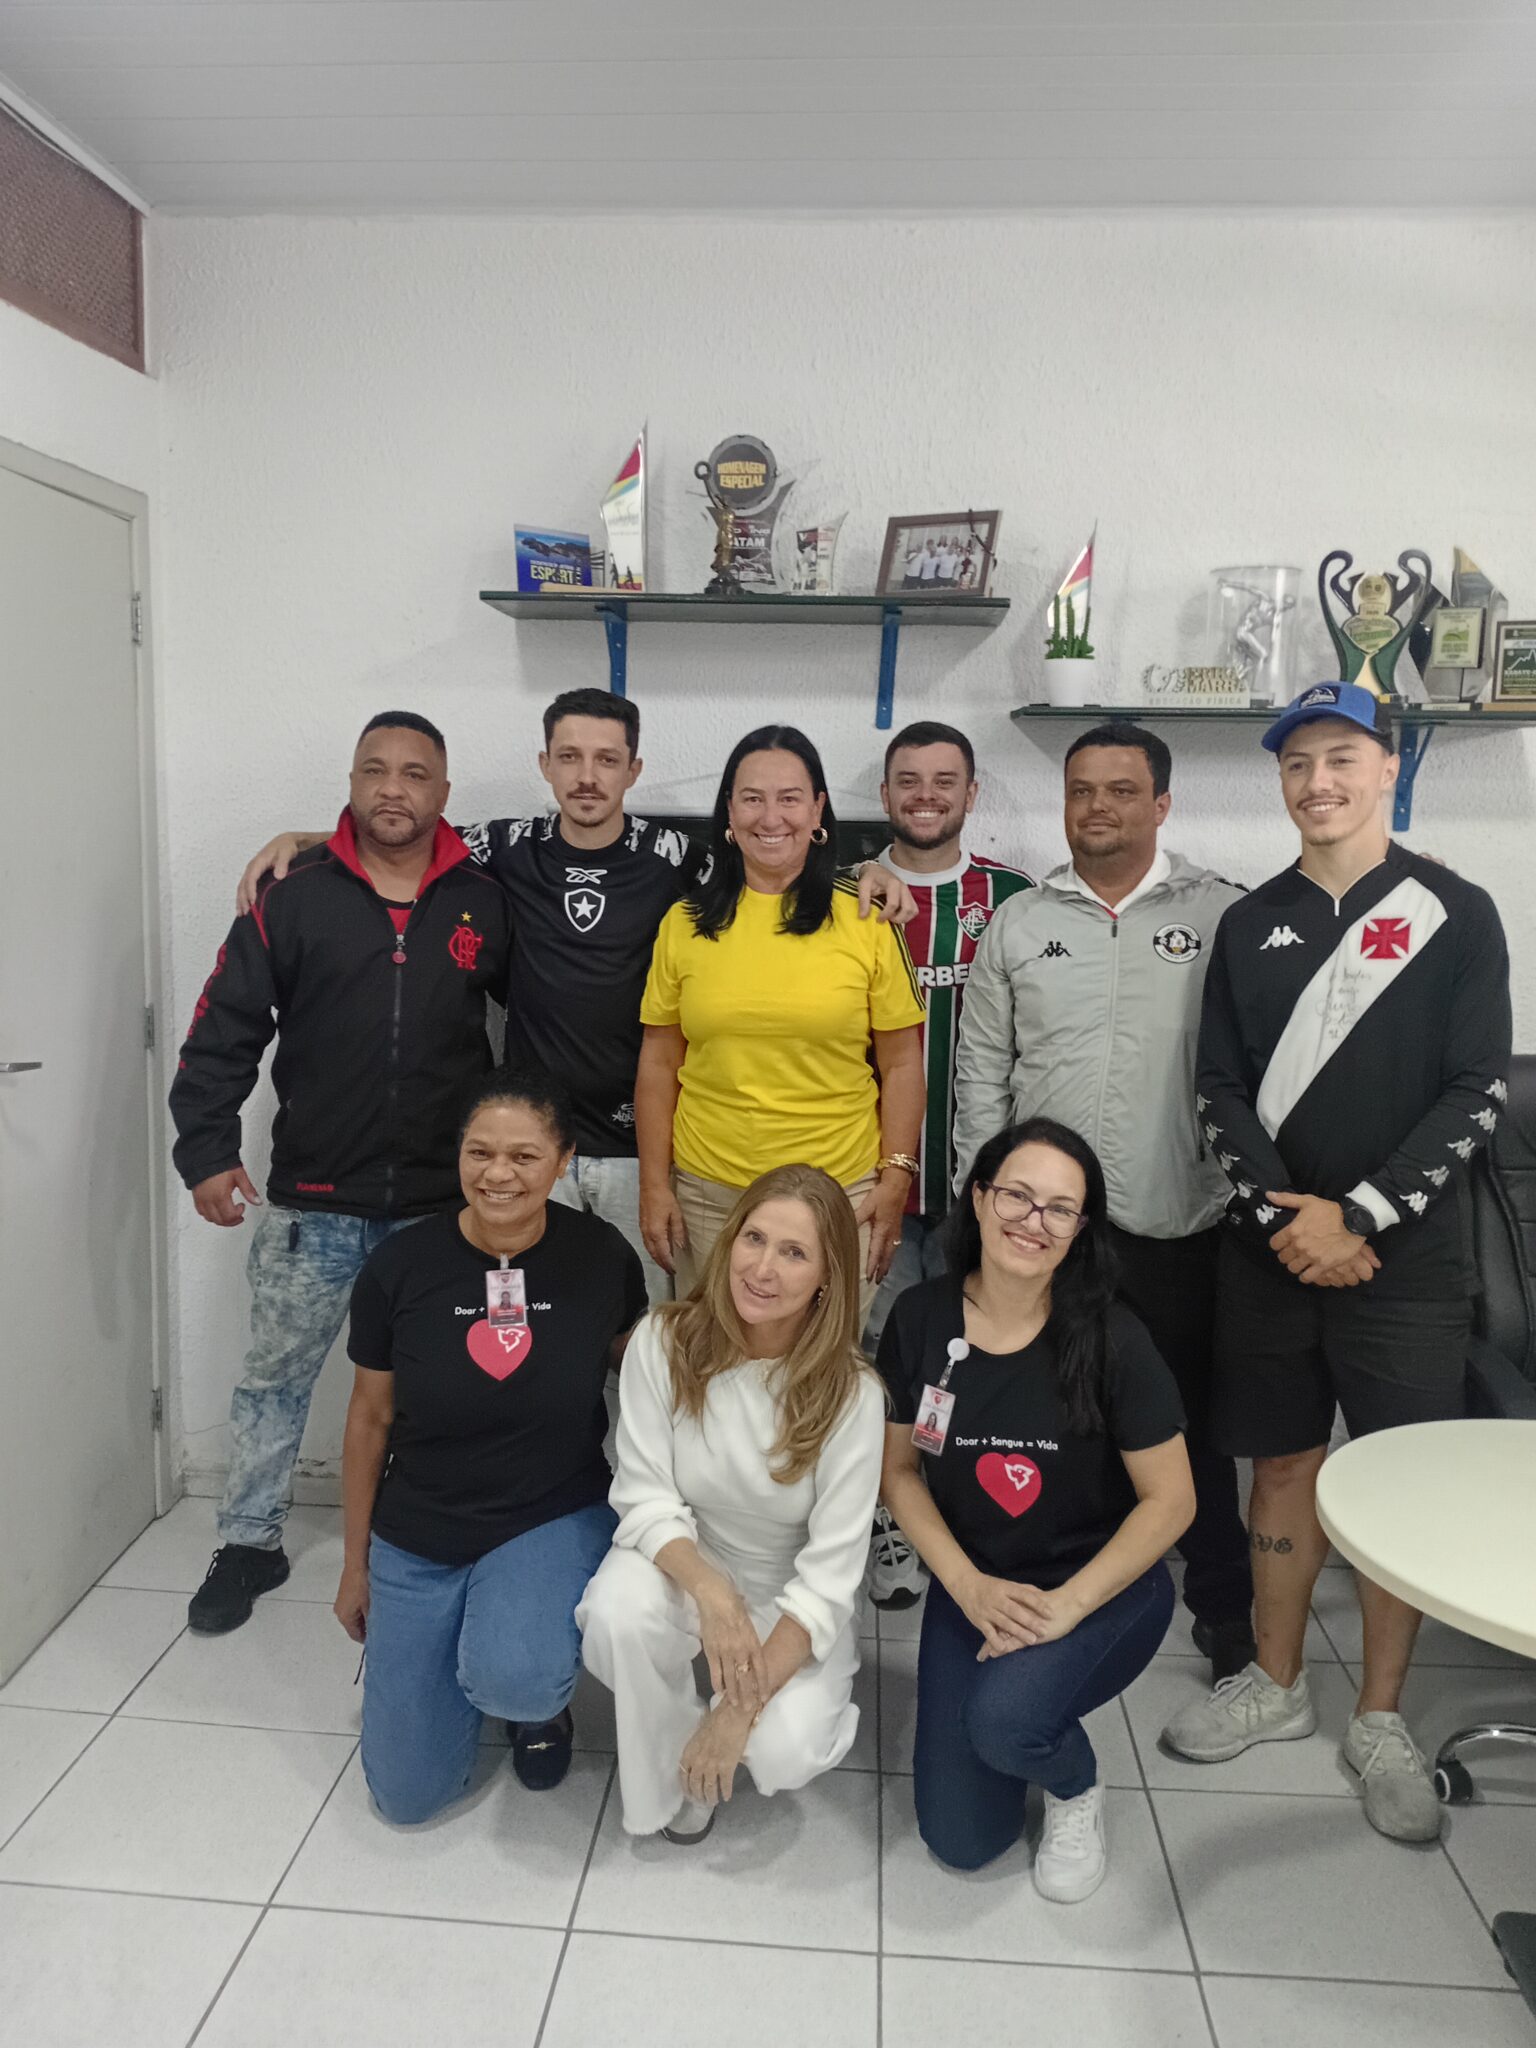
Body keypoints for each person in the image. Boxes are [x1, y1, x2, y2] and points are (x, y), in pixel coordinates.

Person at [236, 689, 913, 1306]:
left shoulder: (678, 859)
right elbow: (407, 838)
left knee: (643, 1328)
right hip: (540, 1143)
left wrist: (867, 870)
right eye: (569, 757)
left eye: (607, 759)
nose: (588, 776)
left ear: (633, 770)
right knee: (536, 1323)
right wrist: (308, 840)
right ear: (545, 764)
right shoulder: (507, 847)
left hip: (639, 1149)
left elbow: (773, 866)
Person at [1162, 682, 1512, 1842]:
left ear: (1388, 768)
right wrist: (1288, 1220)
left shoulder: (1456, 912)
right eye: (1298, 762)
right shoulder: (1249, 921)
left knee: (1397, 1484)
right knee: (1280, 1466)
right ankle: (1273, 1680)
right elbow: (1216, 1088)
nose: (1319, 781)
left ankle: (1380, 1714)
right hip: (1270, 1253)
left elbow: (1478, 1091)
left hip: (1405, 1263)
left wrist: (1358, 1215)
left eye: (1342, 758)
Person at [170, 712, 512, 1635]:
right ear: (352, 783)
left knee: (443, 1389)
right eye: (374, 771)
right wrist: (206, 1150)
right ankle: (248, 1542)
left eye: (415, 774)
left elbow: (538, 1022)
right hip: (312, 1206)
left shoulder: (484, 899)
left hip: (446, 1210)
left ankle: (422, 1535)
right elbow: (222, 1030)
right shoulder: (292, 897)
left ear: (445, 793)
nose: (393, 789)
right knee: (273, 1381)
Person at [953, 721, 1256, 1682]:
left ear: (1161, 804)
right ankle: (1052, 1585)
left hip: (1176, 1223)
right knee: (1046, 1417)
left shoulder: (1223, 916)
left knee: (1188, 1429)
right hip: (1046, 1232)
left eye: (1121, 791)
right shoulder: (1021, 923)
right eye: (1081, 790)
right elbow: (981, 1073)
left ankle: (1225, 1611)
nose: (1097, 808)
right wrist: (980, 1205)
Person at [877, 1119, 1193, 1898]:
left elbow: (1172, 1501)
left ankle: (1074, 1783)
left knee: (1006, 1724)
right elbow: (899, 1472)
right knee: (962, 1839)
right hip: (977, 1586)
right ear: (980, 1198)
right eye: (1017, 1195)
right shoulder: (920, 1318)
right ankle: (1022, 1713)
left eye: (1060, 1208)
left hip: (1100, 1587)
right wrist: (967, 1586)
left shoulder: (1114, 1338)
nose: (1033, 1220)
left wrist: (1065, 1608)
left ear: (1080, 1230)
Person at [336, 1068, 647, 1822]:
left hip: (550, 1511)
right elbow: (370, 1418)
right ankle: (456, 1649)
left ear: (563, 1160)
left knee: (518, 1679)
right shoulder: (400, 1267)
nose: (498, 1174)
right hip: (420, 1524)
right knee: (406, 1797)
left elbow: (644, 1375)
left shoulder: (601, 1255)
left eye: (524, 1156)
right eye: (479, 1153)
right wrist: (354, 1564)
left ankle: (534, 1698)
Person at [577, 1165, 885, 1841]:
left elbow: (829, 1579)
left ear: (828, 1277)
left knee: (784, 1749)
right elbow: (644, 1495)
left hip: (790, 1590)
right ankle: (675, 1775)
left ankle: (715, 1734)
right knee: (615, 1615)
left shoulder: (854, 1395)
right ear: (729, 1240)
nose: (763, 1269)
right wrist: (715, 1596)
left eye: (794, 1253)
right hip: (691, 1560)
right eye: (754, 1238)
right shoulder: (663, 1341)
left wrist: (736, 1712)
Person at [635, 724, 927, 1321]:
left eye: (790, 798)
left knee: (820, 1367)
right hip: (709, 1196)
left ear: (818, 809)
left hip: (838, 1196)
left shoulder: (866, 919)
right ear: (729, 811)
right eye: (752, 798)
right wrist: (654, 1184)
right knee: (711, 1363)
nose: (771, 817)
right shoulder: (683, 923)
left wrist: (896, 1177)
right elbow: (659, 1062)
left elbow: (901, 1064)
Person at [862, 719, 1034, 1608]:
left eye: (944, 781)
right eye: (908, 780)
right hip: (873, 1187)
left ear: (971, 794)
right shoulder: (845, 895)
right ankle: (882, 1519)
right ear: (884, 794)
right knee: (876, 1363)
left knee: (969, 1365)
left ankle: (963, 1518)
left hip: (981, 1194)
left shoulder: (1016, 900)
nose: (925, 796)